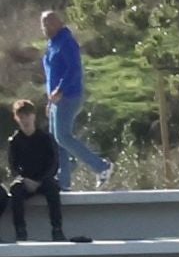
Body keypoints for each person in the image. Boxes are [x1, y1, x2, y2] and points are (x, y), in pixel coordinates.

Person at [39, 12, 112, 189]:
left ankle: (102, 167)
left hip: (69, 95)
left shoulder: (67, 42)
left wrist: (61, 89)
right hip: (56, 99)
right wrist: (50, 101)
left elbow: (74, 69)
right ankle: (64, 182)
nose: (47, 27)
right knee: (57, 140)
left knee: (63, 136)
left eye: (50, 23)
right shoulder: (51, 44)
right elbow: (51, 75)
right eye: (44, 24)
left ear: (60, 23)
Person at [8, 100, 64, 241]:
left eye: (27, 115)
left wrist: (40, 181)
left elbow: (54, 164)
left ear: (33, 116)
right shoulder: (14, 141)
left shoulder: (46, 138)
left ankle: (57, 229)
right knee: (15, 189)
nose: (25, 120)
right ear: (16, 118)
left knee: (53, 189)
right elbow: (13, 167)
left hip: (44, 180)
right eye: (21, 116)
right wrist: (24, 180)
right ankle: (20, 231)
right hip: (25, 181)